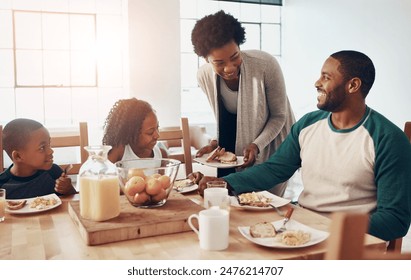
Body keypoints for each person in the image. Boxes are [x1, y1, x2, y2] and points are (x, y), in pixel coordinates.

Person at [194, 50, 411, 242]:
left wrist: (330, 227)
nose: (317, 82)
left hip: (345, 241)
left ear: (353, 85)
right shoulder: (308, 123)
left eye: (326, 77)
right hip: (302, 227)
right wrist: (223, 183)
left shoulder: (388, 139)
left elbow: (395, 219)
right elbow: (275, 169)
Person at [191, 10, 295, 196]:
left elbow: (279, 116)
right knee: (228, 198)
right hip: (239, 147)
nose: (229, 68)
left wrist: (256, 145)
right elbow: (227, 118)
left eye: (234, 57)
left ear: (239, 45)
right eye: (219, 63)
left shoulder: (265, 65)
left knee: (265, 203)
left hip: (274, 143)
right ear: (206, 59)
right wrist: (216, 143)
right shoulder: (204, 76)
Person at [0, 118, 76, 199]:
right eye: (42, 148)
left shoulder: (54, 172)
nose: (51, 151)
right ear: (18, 156)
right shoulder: (2, 184)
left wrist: (68, 189)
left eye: (49, 144)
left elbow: (73, 200)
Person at [102, 98, 167, 163]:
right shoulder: (120, 152)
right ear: (131, 133)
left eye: (157, 128)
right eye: (150, 132)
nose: (157, 135)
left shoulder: (161, 154)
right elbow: (105, 170)